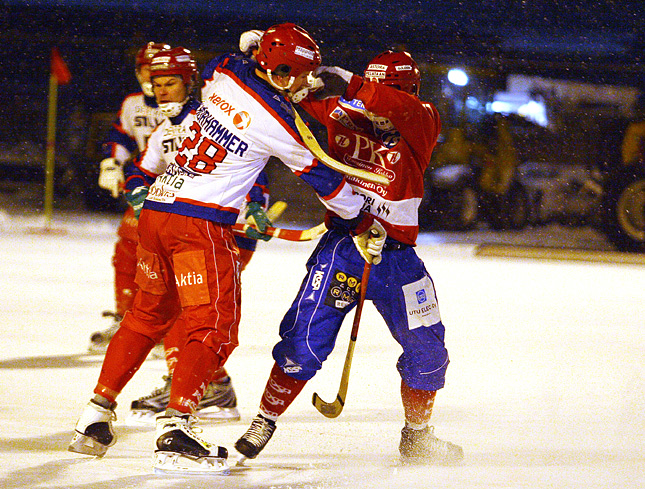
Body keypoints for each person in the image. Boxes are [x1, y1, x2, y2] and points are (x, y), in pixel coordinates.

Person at [68, 23, 385, 474]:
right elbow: (326, 180)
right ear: (276, 72)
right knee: (214, 327)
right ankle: (177, 429)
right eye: (300, 74)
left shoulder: (226, 73)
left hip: (157, 211)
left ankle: (94, 418)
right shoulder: (278, 120)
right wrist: (362, 219)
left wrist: (258, 48)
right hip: (199, 223)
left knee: (145, 316)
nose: (306, 84)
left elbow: (229, 61)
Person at [234, 47, 464, 464]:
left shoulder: (422, 117)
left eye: (390, 90)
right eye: (377, 87)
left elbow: (395, 105)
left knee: (429, 351)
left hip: (398, 259)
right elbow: (278, 100)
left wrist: (355, 83)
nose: (380, 99)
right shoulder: (341, 108)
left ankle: (417, 436)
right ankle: (265, 419)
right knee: (303, 343)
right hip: (344, 248)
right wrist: (273, 68)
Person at [121, 46, 272, 424]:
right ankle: (211, 388)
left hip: (223, 230)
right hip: (183, 229)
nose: (162, 92)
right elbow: (141, 169)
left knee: (192, 315)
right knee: (179, 310)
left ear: (190, 82)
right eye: (157, 84)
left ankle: (195, 388)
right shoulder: (164, 129)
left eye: (171, 83)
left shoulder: (212, 119)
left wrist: (257, 205)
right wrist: (137, 190)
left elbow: (253, 168)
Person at [88, 41, 169, 354]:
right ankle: (127, 317)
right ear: (138, 72)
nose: (153, 77)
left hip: (184, 193)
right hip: (144, 189)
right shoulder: (133, 104)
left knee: (169, 258)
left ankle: (166, 325)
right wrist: (112, 161)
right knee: (128, 248)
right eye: (147, 70)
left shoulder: (192, 106)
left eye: (161, 71)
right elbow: (120, 136)